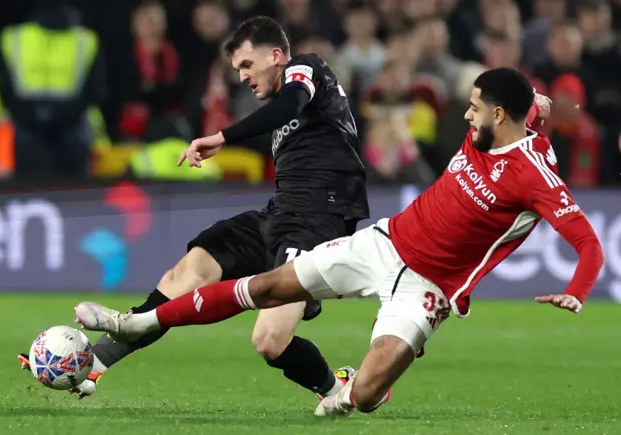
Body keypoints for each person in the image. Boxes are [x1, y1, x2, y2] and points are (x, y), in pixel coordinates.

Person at [75, 68, 604, 416]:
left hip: (429, 286)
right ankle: (139, 321)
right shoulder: (499, 122)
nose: (464, 114)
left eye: (473, 107)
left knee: (367, 397)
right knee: (267, 287)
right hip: (385, 241)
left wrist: (577, 289)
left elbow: (589, 244)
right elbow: (532, 103)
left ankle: (350, 387)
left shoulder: (534, 176)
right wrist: (537, 97)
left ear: (498, 115)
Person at [22, 16, 369, 401]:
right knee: (191, 268)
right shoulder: (286, 113)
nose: (242, 77)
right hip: (280, 214)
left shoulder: (306, 67)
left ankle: (339, 389)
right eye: (237, 70)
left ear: (276, 56)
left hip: (319, 218)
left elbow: (289, 106)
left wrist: (223, 136)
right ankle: (95, 366)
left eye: (246, 65)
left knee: (269, 340)